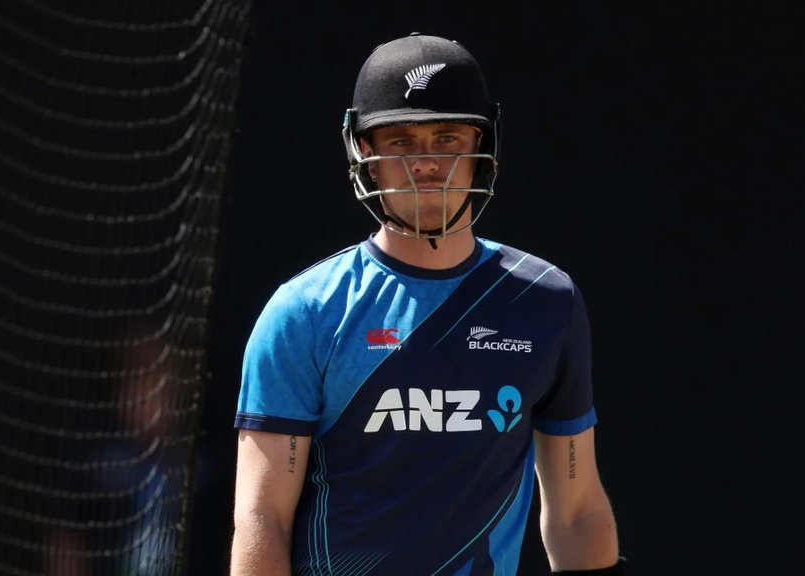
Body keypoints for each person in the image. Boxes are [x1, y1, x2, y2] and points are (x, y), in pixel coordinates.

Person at [230, 32, 625, 576]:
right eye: (400, 140)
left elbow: (576, 511)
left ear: (482, 146)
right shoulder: (304, 311)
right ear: (363, 152)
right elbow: (261, 518)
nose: (427, 163)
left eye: (447, 138)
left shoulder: (546, 301)